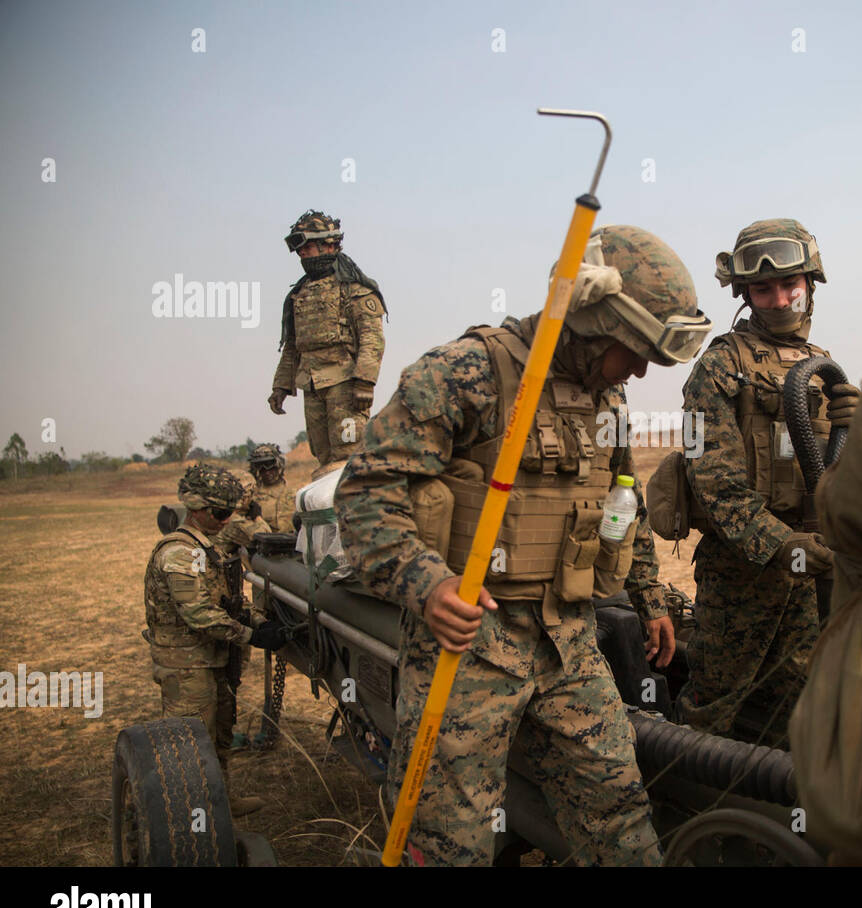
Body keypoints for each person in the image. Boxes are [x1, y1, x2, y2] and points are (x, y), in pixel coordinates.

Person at [335, 225, 711, 866]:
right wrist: (428, 585)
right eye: (635, 349)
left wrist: (649, 598)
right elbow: (369, 490)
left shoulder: (608, 399)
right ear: (592, 317)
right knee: (447, 839)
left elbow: (624, 503)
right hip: (469, 648)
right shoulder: (466, 370)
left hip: (569, 639)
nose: (642, 368)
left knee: (617, 813)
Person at [676, 218, 859, 747]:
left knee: (802, 713)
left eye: (789, 285)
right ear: (746, 294)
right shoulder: (717, 368)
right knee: (711, 711)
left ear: (810, 283)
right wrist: (784, 547)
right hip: (742, 578)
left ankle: (779, 824)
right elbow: (714, 485)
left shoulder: (822, 368)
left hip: (813, 577)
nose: (779, 299)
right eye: (763, 288)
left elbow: (845, 481)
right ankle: (696, 822)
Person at [143, 463, 287, 815]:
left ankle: (218, 802)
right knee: (191, 746)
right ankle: (190, 821)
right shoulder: (179, 553)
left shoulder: (206, 549)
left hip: (213, 660)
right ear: (196, 510)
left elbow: (225, 602)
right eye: (220, 513)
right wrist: (251, 634)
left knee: (220, 736)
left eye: (230, 513)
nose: (226, 521)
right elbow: (201, 615)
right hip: (188, 667)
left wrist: (259, 622)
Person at [269, 210, 386, 475]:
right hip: (311, 385)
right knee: (323, 457)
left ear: (329, 245)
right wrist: (281, 385)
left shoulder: (354, 289)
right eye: (299, 249)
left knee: (348, 455)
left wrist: (365, 381)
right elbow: (293, 346)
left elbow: (372, 338)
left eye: (307, 246)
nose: (302, 254)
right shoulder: (299, 294)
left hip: (344, 386)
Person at [247, 442, 297, 533]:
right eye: (261, 468)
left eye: (270, 466)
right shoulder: (251, 496)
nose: (267, 472)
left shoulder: (294, 493)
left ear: (279, 466)